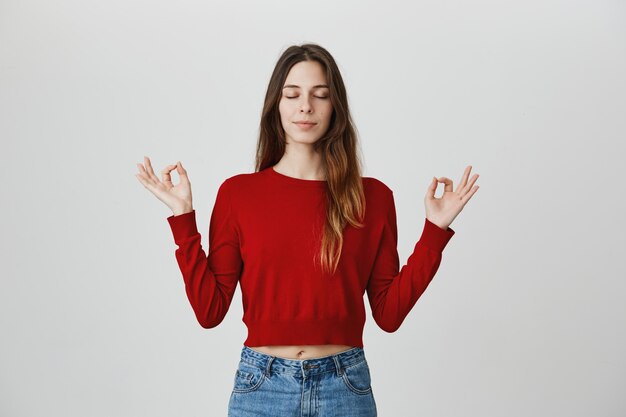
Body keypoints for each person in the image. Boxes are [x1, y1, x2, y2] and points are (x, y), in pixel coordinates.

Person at [135, 43, 479, 417]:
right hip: (261, 388)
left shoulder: (373, 197)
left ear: (335, 108)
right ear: (276, 105)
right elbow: (210, 310)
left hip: (344, 388)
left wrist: (434, 231)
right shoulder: (238, 194)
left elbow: (389, 315)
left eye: (320, 95)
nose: (305, 107)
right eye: (292, 94)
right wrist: (182, 216)